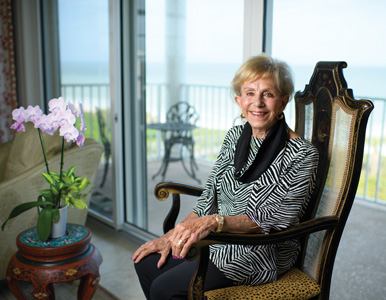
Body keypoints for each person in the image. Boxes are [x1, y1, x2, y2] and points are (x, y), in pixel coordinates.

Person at [132, 54, 319, 300]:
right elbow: (210, 195)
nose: (258, 103)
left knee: (165, 288)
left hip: (258, 252)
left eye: (268, 94)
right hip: (214, 241)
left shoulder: (301, 153)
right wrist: (172, 236)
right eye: (250, 93)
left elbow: (271, 219)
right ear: (239, 100)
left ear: (283, 101)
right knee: (145, 262)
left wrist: (212, 223)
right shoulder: (234, 137)